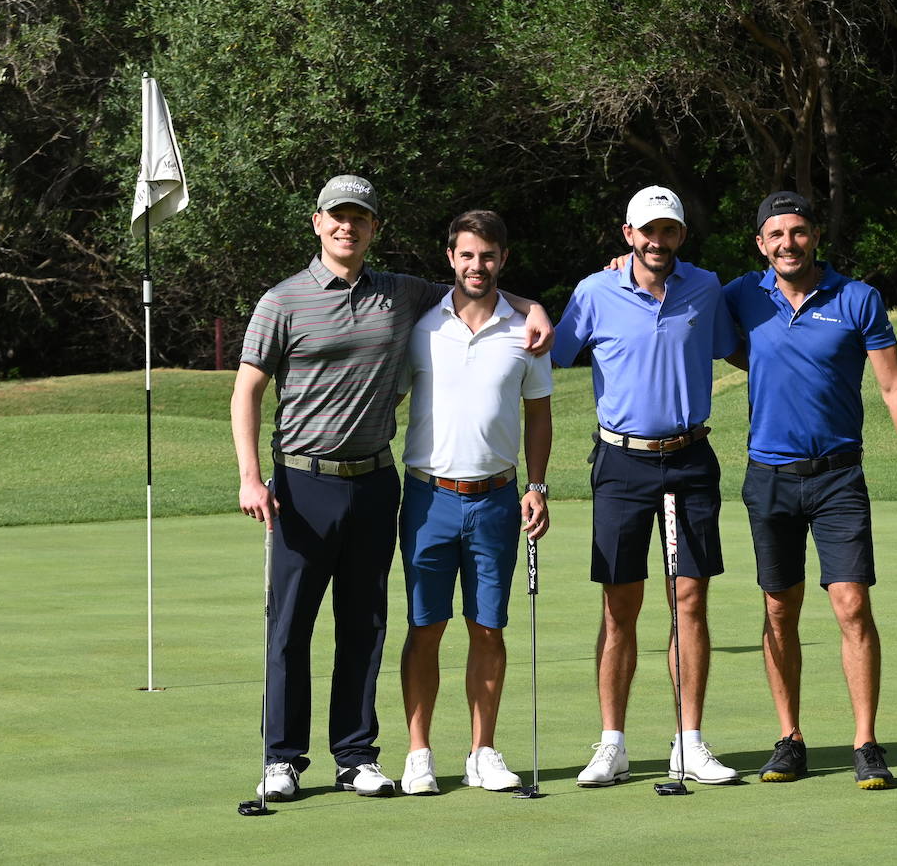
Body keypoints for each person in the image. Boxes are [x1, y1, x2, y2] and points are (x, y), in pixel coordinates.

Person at [232, 176, 552, 802]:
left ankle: (354, 755)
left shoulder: (401, 294)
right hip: (302, 481)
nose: (348, 227)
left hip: (376, 482)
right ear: (318, 223)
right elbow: (247, 389)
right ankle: (283, 758)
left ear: (374, 228)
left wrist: (534, 306)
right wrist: (249, 475)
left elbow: (475, 286)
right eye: (337, 217)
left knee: (366, 623)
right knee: (291, 626)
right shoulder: (282, 301)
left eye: (360, 218)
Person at [722, 191, 897, 789]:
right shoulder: (742, 296)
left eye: (798, 232)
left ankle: (865, 742)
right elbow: (678, 298)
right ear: (760, 244)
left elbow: (894, 386)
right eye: (776, 235)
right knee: (779, 609)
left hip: (839, 477)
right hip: (768, 477)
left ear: (815, 236)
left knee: (851, 605)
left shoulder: (857, 299)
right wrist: (624, 263)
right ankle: (790, 738)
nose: (787, 243)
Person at [551, 185, 742, 788]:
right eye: (647, 231)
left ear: (681, 236)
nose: (658, 242)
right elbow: (551, 353)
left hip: (690, 460)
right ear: (628, 234)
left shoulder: (706, 288)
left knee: (690, 601)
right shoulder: (594, 291)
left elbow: (742, 345)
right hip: (620, 462)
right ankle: (613, 743)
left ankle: (689, 741)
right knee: (619, 607)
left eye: (669, 231)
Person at [395, 210, 553, 796]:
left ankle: (482, 751)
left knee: (488, 628)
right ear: (450, 258)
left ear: (502, 260)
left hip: (497, 498)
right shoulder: (420, 323)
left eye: (487, 256)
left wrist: (537, 486)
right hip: (428, 495)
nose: (476, 265)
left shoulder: (526, 330)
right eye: (467, 255)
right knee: (424, 627)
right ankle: (418, 753)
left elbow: (539, 416)